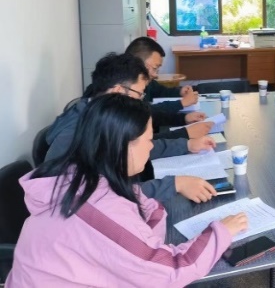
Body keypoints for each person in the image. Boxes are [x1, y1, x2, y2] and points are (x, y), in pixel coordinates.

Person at [7, 94, 248, 287]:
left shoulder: (77, 179)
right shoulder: (97, 209)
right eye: (149, 140)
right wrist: (222, 231)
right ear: (123, 145)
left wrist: (147, 222)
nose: (151, 147)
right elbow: (173, 271)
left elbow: (138, 208)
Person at [46, 53, 218, 203]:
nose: (141, 101)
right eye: (139, 94)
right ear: (118, 91)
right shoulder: (78, 132)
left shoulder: (100, 115)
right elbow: (104, 198)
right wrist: (174, 185)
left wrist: (186, 145)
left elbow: (136, 147)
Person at [125, 36, 198, 113]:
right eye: (155, 68)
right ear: (139, 64)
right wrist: (181, 103)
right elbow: (145, 112)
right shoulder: (127, 88)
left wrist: (180, 92)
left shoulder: (148, 82)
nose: (156, 75)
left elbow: (161, 91)